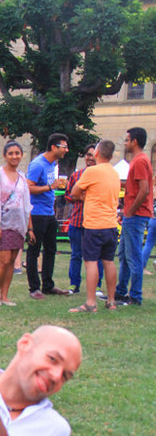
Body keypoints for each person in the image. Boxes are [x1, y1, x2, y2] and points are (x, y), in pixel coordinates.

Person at [68, 140, 120, 313]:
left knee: (91, 262)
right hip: (111, 225)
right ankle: (111, 301)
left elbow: (74, 192)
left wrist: (85, 197)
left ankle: (90, 303)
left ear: (96, 152)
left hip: (94, 225)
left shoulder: (92, 171)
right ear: (111, 156)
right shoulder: (114, 173)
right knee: (109, 262)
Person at [0, 141, 34, 306]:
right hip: (2, 224)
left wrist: (30, 229)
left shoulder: (22, 177)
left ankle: (5, 296)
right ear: (5, 156)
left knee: (11, 262)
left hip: (18, 225)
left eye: (17, 153)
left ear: (21, 155)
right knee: (3, 262)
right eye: (10, 153)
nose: (14, 156)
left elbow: (26, 205)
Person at [26, 133, 70, 299]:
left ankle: (48, 285)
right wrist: (50, 187)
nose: (66, 150)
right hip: (37, 213)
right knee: (34, 250)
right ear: (53, 147)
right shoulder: (37, 164)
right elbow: (28, 188)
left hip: (49, 213)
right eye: (64, 147)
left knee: (51, 249)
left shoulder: (52, 164)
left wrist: (55, 187)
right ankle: (34, 288)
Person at [115, 127, 153, 306]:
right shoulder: (140, 160)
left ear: (134, 142)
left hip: (136, 215)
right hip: (133, 215)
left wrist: (130, 211)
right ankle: (120, 292)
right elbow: (137, 187)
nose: (125, 143)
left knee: (133, 256)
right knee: (124, 254)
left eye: (127, 140)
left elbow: (144, 190)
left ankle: (135, 296)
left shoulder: (139, 161)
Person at [65, 145, 96, 294]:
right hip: (77, 220)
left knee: (95, 256)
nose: (90, 158)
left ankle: (97, 286)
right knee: (76, 254)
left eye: (93, 155)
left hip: (95, 222)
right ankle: (74, 284)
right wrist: (78, 197)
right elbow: (68, 195)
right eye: (88, 154)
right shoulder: (76, 175)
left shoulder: (100, 176)